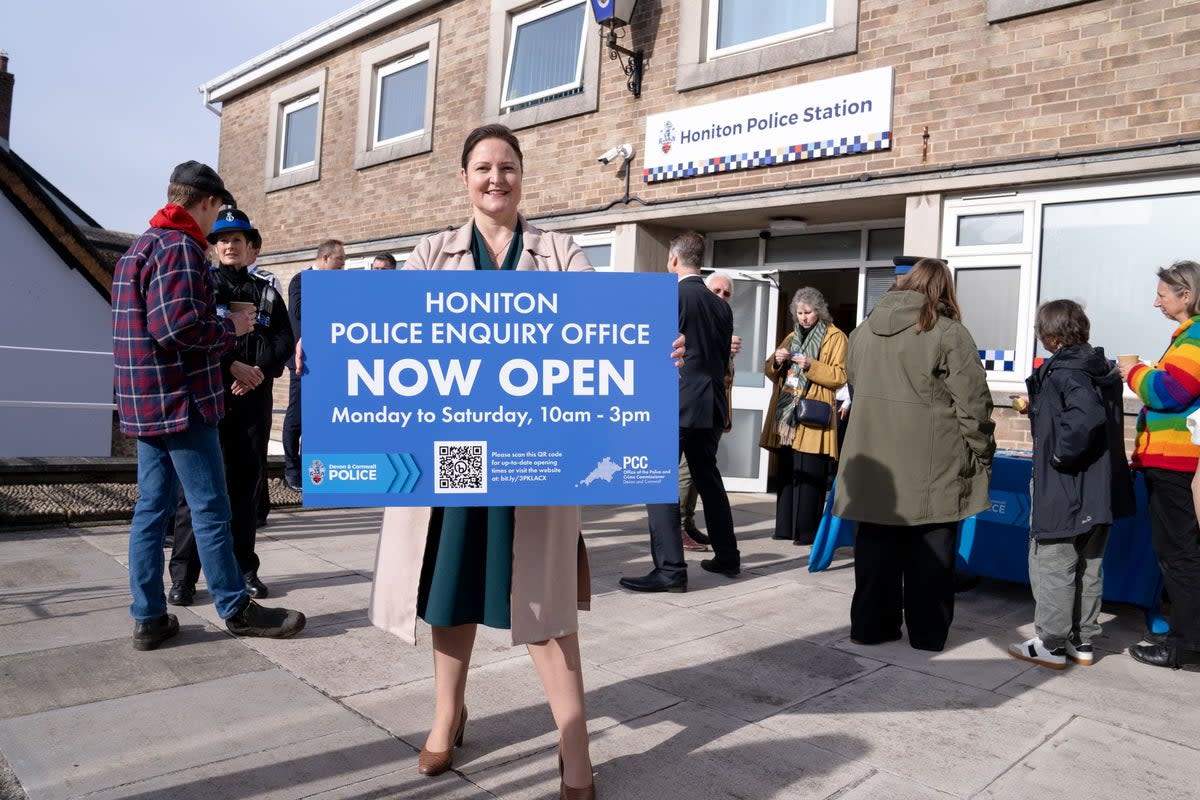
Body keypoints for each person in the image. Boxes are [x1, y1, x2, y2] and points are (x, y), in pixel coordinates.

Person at [368, 124, 667, 800]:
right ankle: (447, 712)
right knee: (453, 584)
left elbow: (604, 338)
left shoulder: (560, 251)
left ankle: (573, 739)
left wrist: (650, 353)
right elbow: (388, 341)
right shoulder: (428, 253)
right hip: (459, 453)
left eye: (507, 167)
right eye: (482, 167)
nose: (495, 178)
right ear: (465, 177)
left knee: (545, 596)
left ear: (523, 177)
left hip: (536, 451)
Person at [112, 161, 305, 650]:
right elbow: (176, 328)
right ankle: (236, 608)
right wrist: (231, 330)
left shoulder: (138, 248)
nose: (216, 224)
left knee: (151, 510)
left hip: (144, 402)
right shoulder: (179, 247)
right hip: (182, 401)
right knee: (211, 508)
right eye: (216, 211)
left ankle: (149, 617)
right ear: (203, 202)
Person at [834, 258, 994, 652]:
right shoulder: (948, 333)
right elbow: (973, 404)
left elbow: (855, 387)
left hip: (871, 461)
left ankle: (871, 628)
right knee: (931, 556)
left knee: (874, 551)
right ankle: (926, 634)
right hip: (932, 461)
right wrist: (983, 452)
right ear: (944, 291)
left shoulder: (861, 332)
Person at [167, 208, 293, 604]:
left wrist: (257, 369)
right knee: (197, 490)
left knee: (245, 488)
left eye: (237, 239)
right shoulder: (202, 287)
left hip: (254, 400)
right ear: (215, 246)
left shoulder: (267, 290)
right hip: (210, 398)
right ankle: (184, 578)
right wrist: (231, 368)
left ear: (248, 246)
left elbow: (285, 340)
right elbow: (194, 337)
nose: (229, 245)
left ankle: (245, 572)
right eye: (222, 239)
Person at [1008, 300, 1134, 669]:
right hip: (1098, 488)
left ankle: (1051, 642)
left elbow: (1084, 417)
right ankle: (1083, 641)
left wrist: (1061, 455)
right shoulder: (1098, 369)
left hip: (1067, 485)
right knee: (1089, 565)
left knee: (1054, 562)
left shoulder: (1066, 371)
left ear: (1050, 335)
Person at [621, 231, 740, 593]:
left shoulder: (667, 297)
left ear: (673, 259)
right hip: (711, 405)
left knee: (658, 482)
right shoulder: (721, 306)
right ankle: (728, 556)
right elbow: (721, 361)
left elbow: (649, 353)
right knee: (710, 482)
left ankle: (671, 570)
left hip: (674, 402)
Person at [1119, 259, 1200, 670]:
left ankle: (1186, 645)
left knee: (1180, 554)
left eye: (1162, 294)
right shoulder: (1187, 337)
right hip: (1176, 463)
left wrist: (1134, 370)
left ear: (1186, 296)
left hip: (1175, 464)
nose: (1156, 302)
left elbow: (1169, 392)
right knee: (1182, 552)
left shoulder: (1196, 337)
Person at [759, 287, 847, 545]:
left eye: (808, 312)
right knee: (788, 472)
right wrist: (776, 360)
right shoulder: (791, 336)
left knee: (810, 472)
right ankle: (785, 528)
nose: (804, 318)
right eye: (799, 313)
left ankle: (806, 532)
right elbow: (770, 371)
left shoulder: (836, 337)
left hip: (813, 412)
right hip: (787, 414)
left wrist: (811, 365)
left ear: (818, 311)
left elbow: (841, 376)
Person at [679, 271, 739, 552]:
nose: (721, 297)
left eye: (726, 294)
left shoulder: (689, 299)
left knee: (697, 478)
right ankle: (726, 554)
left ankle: (675, 550)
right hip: (701, 406)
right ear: (706, 286)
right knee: (699, 478)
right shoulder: (708, 308)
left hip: (696, 406)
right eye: (718, 290)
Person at [282, 238, 345, 491]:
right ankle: (291, 470)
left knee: (318, 419)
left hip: (328, 362)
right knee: (297, 417)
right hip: (303, 361)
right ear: (326, 258)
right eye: (340, 263)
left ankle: (313, 472)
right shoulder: (302, 280)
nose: (343, 268)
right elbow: (299, 312)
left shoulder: (338, 285)